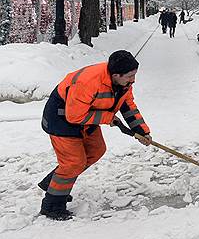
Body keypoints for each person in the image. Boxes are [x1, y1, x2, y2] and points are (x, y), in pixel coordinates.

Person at [38, 51, 152, 220]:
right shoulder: (88, 82)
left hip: (86, 117)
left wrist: (142, 131)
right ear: (115, 75)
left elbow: (127, 105)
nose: (133, 80)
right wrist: (108, 118)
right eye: (130, 76)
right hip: (61, 118)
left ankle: (54, 182)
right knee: (73, 163)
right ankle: (52, 205)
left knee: (97, 150)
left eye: (134, 75)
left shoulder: (123, 84)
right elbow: (73, 116)